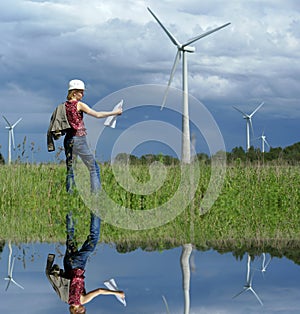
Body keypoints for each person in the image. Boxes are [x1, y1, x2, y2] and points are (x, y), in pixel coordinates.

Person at [46, 211, 125, 314]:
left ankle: (95, 210)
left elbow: (99, 291)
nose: (85, 310)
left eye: (83, 312)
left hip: (77, 265)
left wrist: (117, 293)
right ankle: (70, 207)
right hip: (68, 263)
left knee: (94, 238)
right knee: (70, 236)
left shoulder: (81, 300)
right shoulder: (65, 298)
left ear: (77, 311)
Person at [64, 79, 122, 193]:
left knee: (71, 170)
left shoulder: (64, 106)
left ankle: (68, 197)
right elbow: (97, 114)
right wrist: (115, 112)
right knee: (93, 168)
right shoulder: (79, 105)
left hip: (67, 139)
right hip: (79, 139)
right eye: (81, 92)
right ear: (74, 92)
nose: (83, 94)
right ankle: (96, 197)